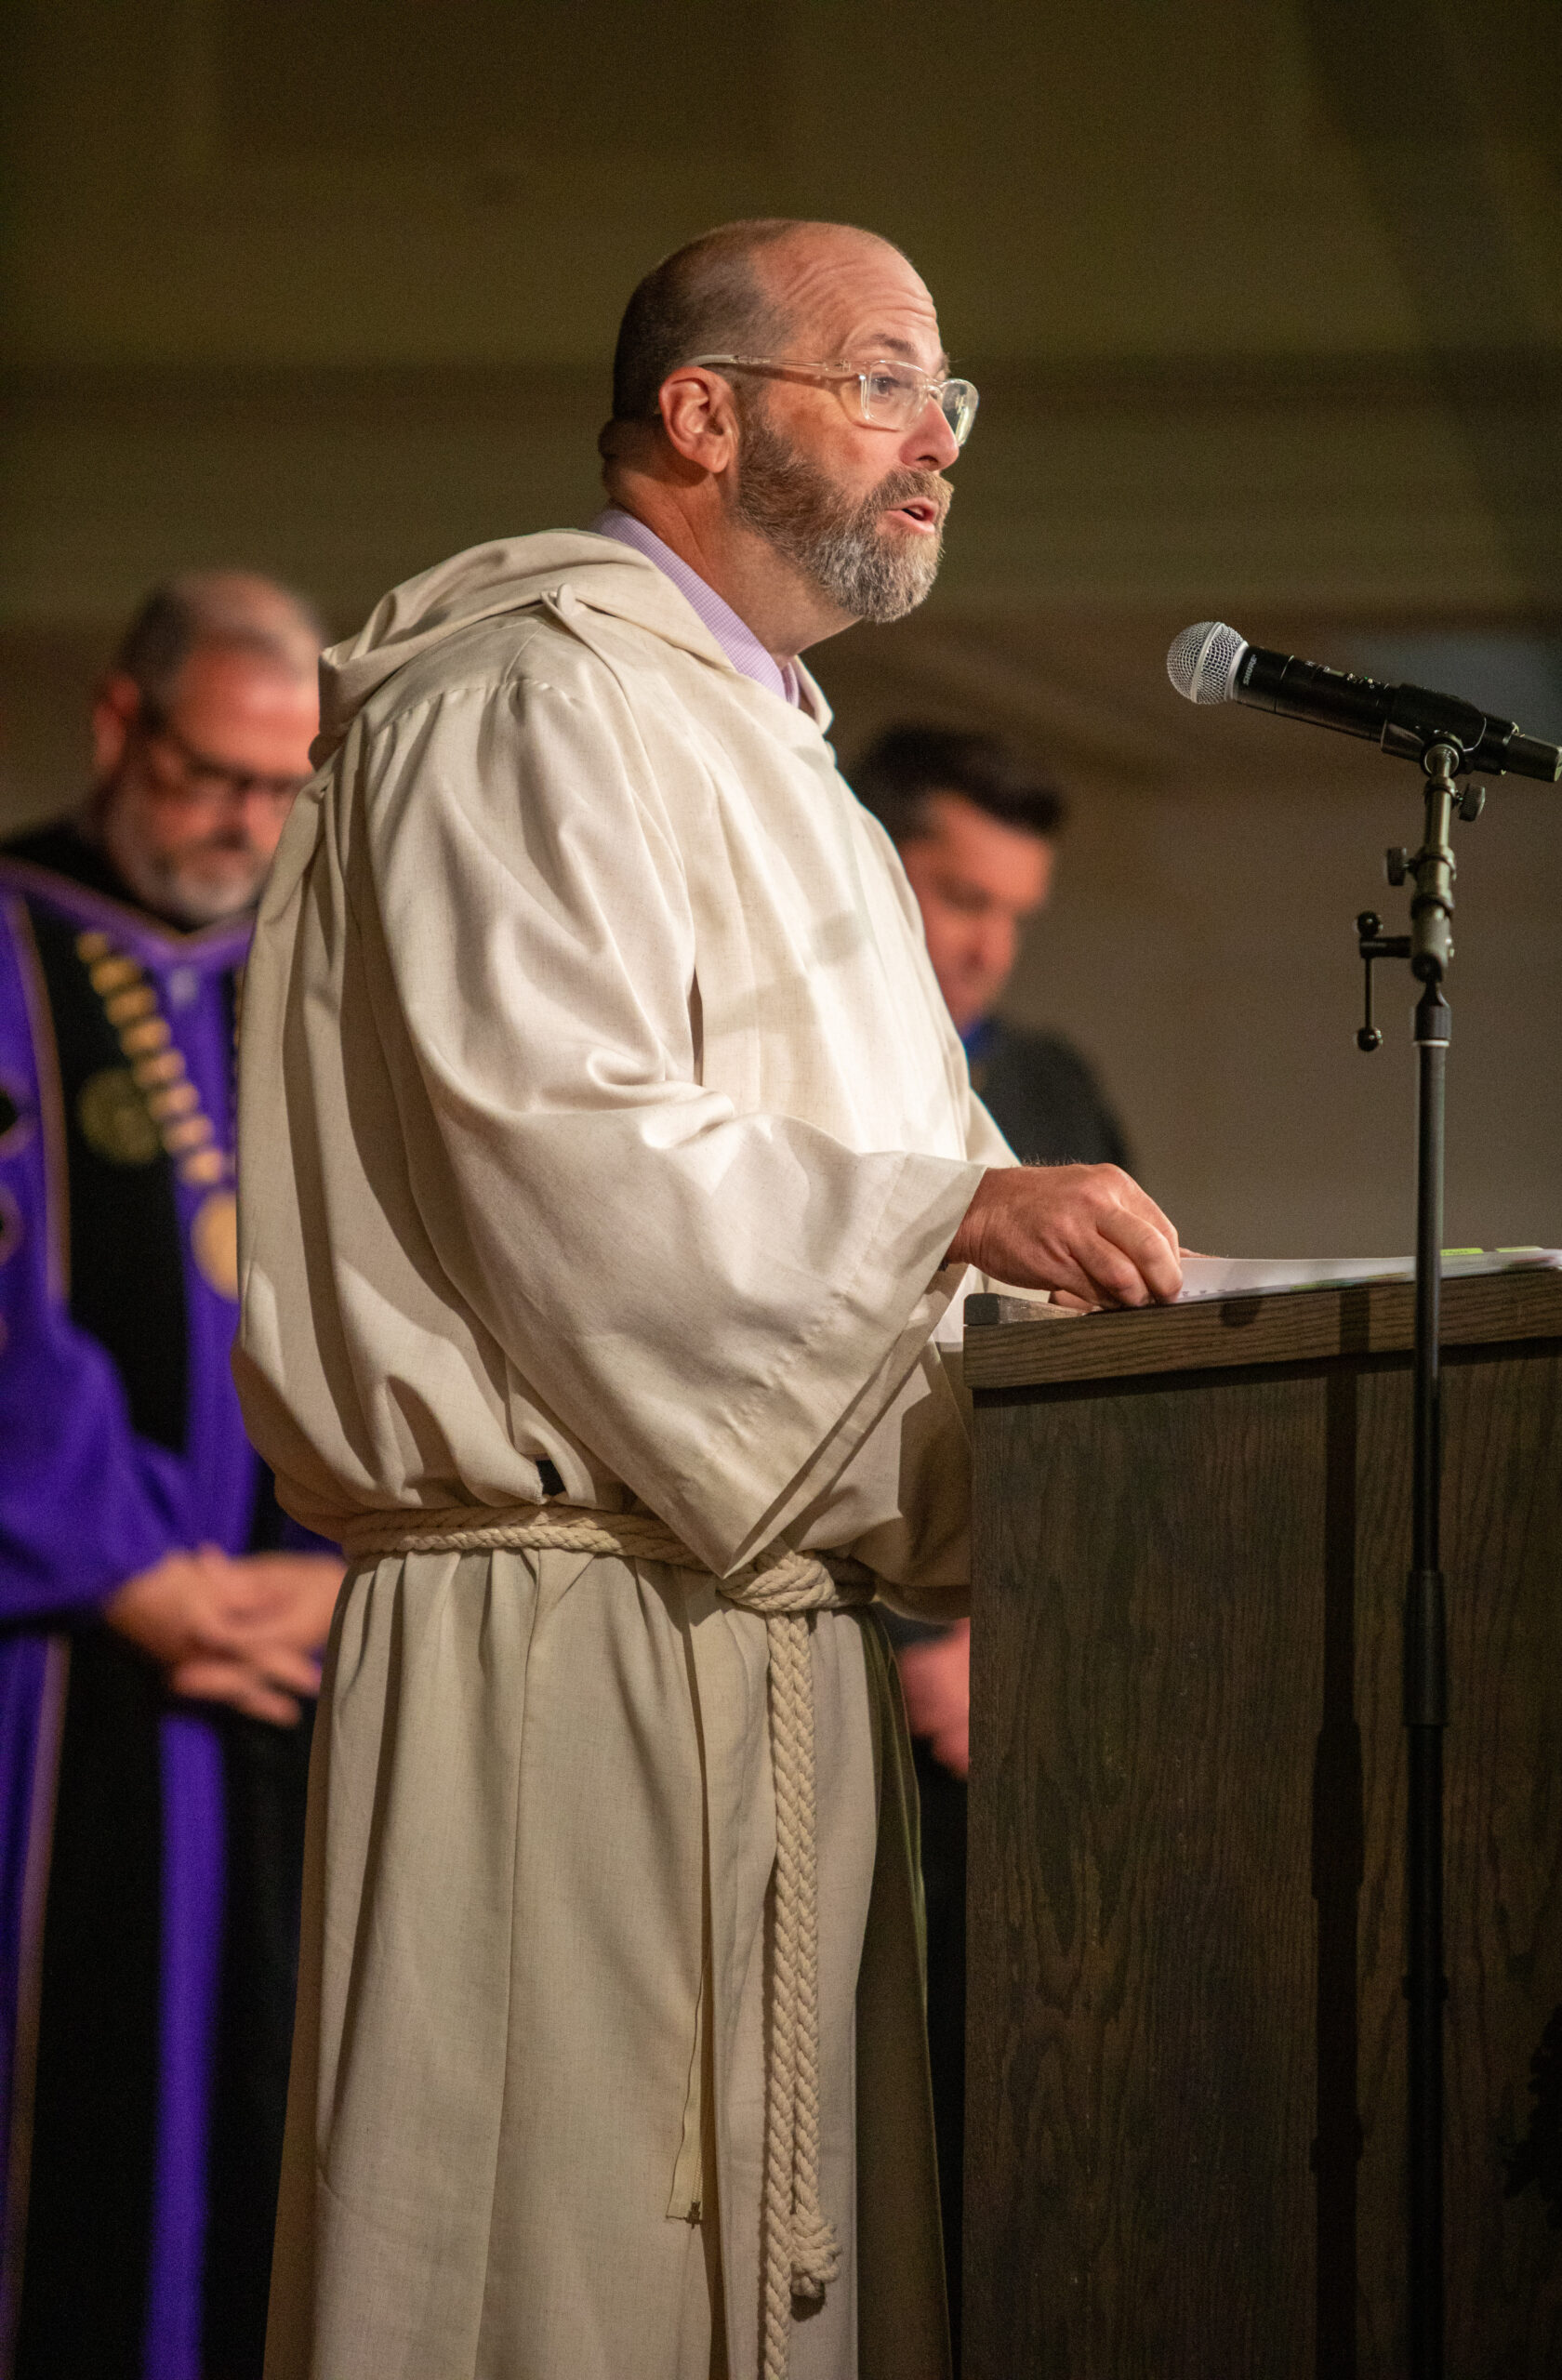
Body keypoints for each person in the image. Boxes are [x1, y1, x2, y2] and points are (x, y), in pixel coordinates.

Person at [233, 218, 1183, 2380]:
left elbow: (913, 1201)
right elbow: (554, 1155)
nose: (934, 438)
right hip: (555, 1647)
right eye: (877, 378)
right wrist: (951, 1220)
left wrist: (1104, 1339)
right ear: (700, 411)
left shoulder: (787, 773)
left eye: (946, 396)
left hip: (767, 1659)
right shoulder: (521, 701)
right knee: (541, 2287)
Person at [0, 575, 345, 2380]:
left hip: (284, 1651)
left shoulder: (313, 976)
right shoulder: (7, 936)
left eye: (285, 789)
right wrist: (128, 1560)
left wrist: (333, 1563)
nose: (246, 825)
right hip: (57, 1656)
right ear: (120, 728)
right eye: (215, 776)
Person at [852, 723, 1136, 2360]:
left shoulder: (1048, 1087)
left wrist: (1010, 1632)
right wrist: (918, 1644)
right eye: (956, 892)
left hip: (1013, 1700)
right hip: (848, 1659)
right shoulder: (778, 1071)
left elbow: (1113, 1390)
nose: (983, 944)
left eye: (1012, 909)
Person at [852, 724, 1131, 1168]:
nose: (993, 956)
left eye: (1016, 918)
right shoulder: (784, 1043)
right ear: (866, 867)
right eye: (964, 901)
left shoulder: (1058, 1091)